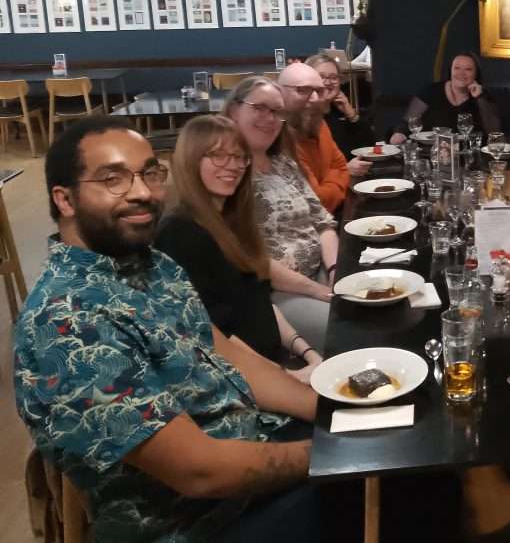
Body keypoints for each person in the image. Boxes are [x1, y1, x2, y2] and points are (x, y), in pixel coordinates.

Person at [13, 116, 325, 542]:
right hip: (194, 522)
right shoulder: (67, 319)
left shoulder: (152, 265)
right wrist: (329, 454)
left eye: (149, 173)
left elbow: (225, 355)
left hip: (251, 456)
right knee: (404, 492)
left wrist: (330, 411)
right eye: (114, 179)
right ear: (65, 200)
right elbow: (199, 473)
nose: (142, 192)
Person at [155, 115, 323, 383]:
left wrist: (308, 353)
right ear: (190, 161)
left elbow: (258, 303)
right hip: (240, 381)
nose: (232, 166)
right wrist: (286, 377)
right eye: (218, 155)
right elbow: (214, 336)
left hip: (274, 362)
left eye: (239, 157)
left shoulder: (231, 221)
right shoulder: (179, 232)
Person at [224, 76, 337, 354]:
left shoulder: (283, 163)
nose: (269, 118)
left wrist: (335, 271)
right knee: (347, 329)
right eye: (260, 108)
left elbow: (322, 222)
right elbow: (248, 258)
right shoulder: (228, 172)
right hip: (276, 293)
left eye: (276, 111)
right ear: (233, 111)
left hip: (320, 275)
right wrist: (317, 290)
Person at [277, 62, 350, 214]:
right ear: (280, 93)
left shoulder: (319, 124)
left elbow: (342, 168)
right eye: (303, 90)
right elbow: (318, 201)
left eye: (319, 91)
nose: (315, 98)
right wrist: (335, 177)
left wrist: (328, 181)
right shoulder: (279, 138)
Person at [388, 52, 500, 142]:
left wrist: (479, 98)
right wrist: (399, 133)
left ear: (476, 74)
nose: (461, 73)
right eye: (457, 68)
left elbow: (494, 132)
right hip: (433, 153)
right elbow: (408, 122)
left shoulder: (483, 97)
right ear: (450, 71)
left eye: (468, 69)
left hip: (468, 155)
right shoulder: (431, 91)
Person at [306, 52, 374, 179]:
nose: (327, 82)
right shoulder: (304, 119)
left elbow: (369, 144)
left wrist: (351, 114)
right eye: (321, 77)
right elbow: (310, 173)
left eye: (333, 77)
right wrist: (345, 169)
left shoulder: (340, 111)